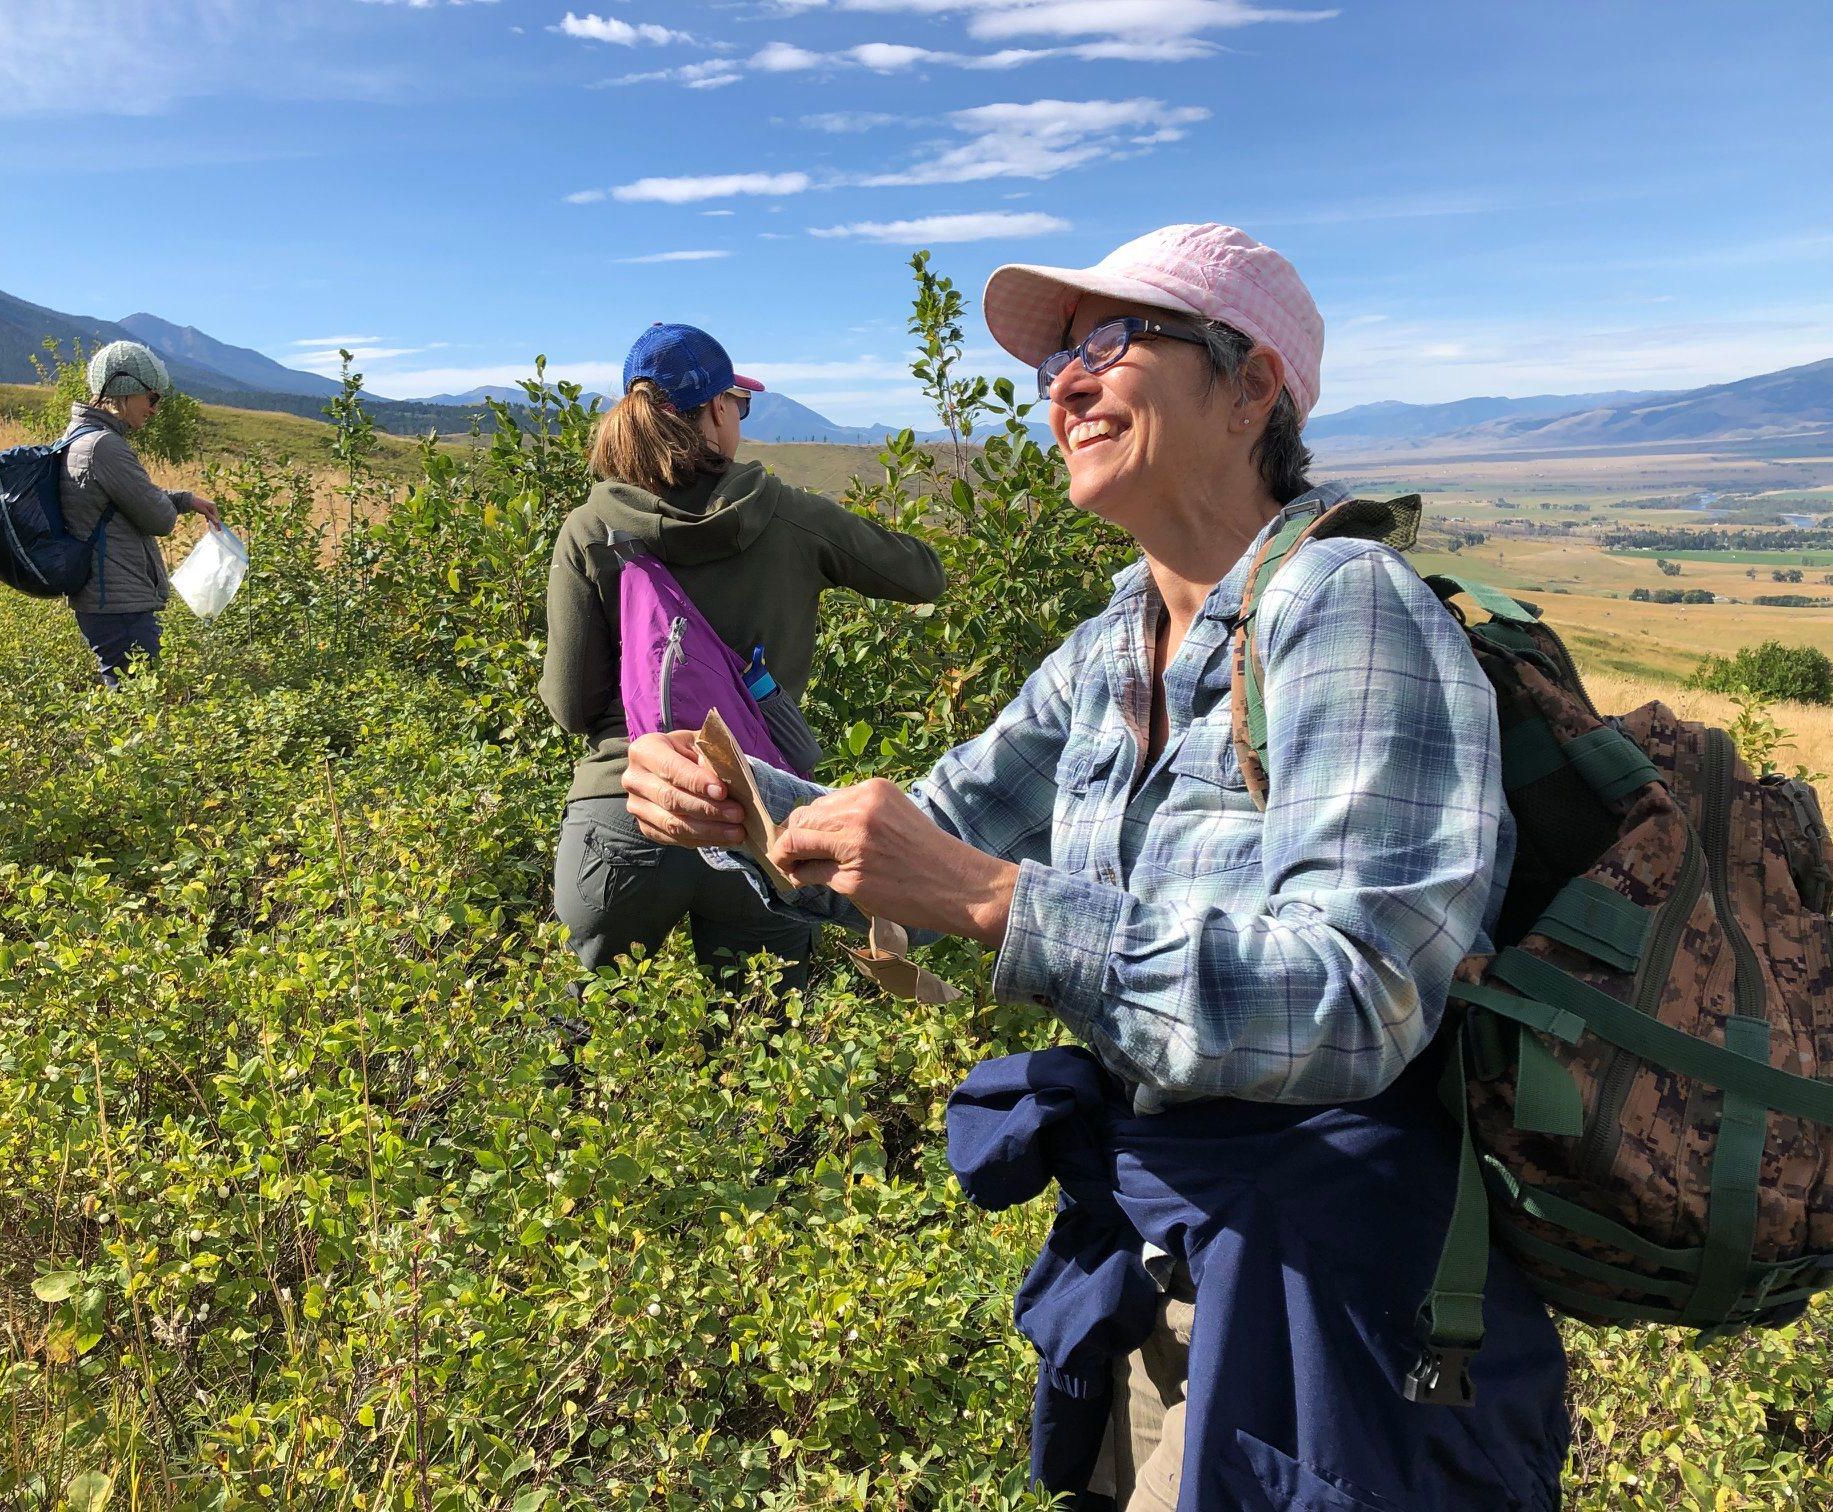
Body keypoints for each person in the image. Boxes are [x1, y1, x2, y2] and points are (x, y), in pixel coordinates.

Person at [621, 226, 1569, 1510]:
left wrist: (994, 902)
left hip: (1336, 1297)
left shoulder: (1344, 604)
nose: (1065, 381)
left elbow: (1362, 998)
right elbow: (939, 816)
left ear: (1252, 391)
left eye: (1115, 340)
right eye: (1060, 352)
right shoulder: (1112, 642)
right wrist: (736, 799)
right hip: (1168, 1251)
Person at [540, 322, 946, 992]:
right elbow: (923, 577)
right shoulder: (786, 514)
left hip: (626, 811)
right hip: (760, 815)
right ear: (717, 411)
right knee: (767, 1038)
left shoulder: (590, 529)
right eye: (741, 406)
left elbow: (571, 706)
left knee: (585, 1043)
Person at [60, 341, 222, 686]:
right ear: (125, 391)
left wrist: (183, 499)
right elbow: (158, 520)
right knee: (135, 707)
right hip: (119, 604)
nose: (154, 410)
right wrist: (170, 505)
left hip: (106, 599)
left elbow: (118, 500)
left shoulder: (81, 437)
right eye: (152, 398)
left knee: (126, 699)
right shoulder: (105, 446)